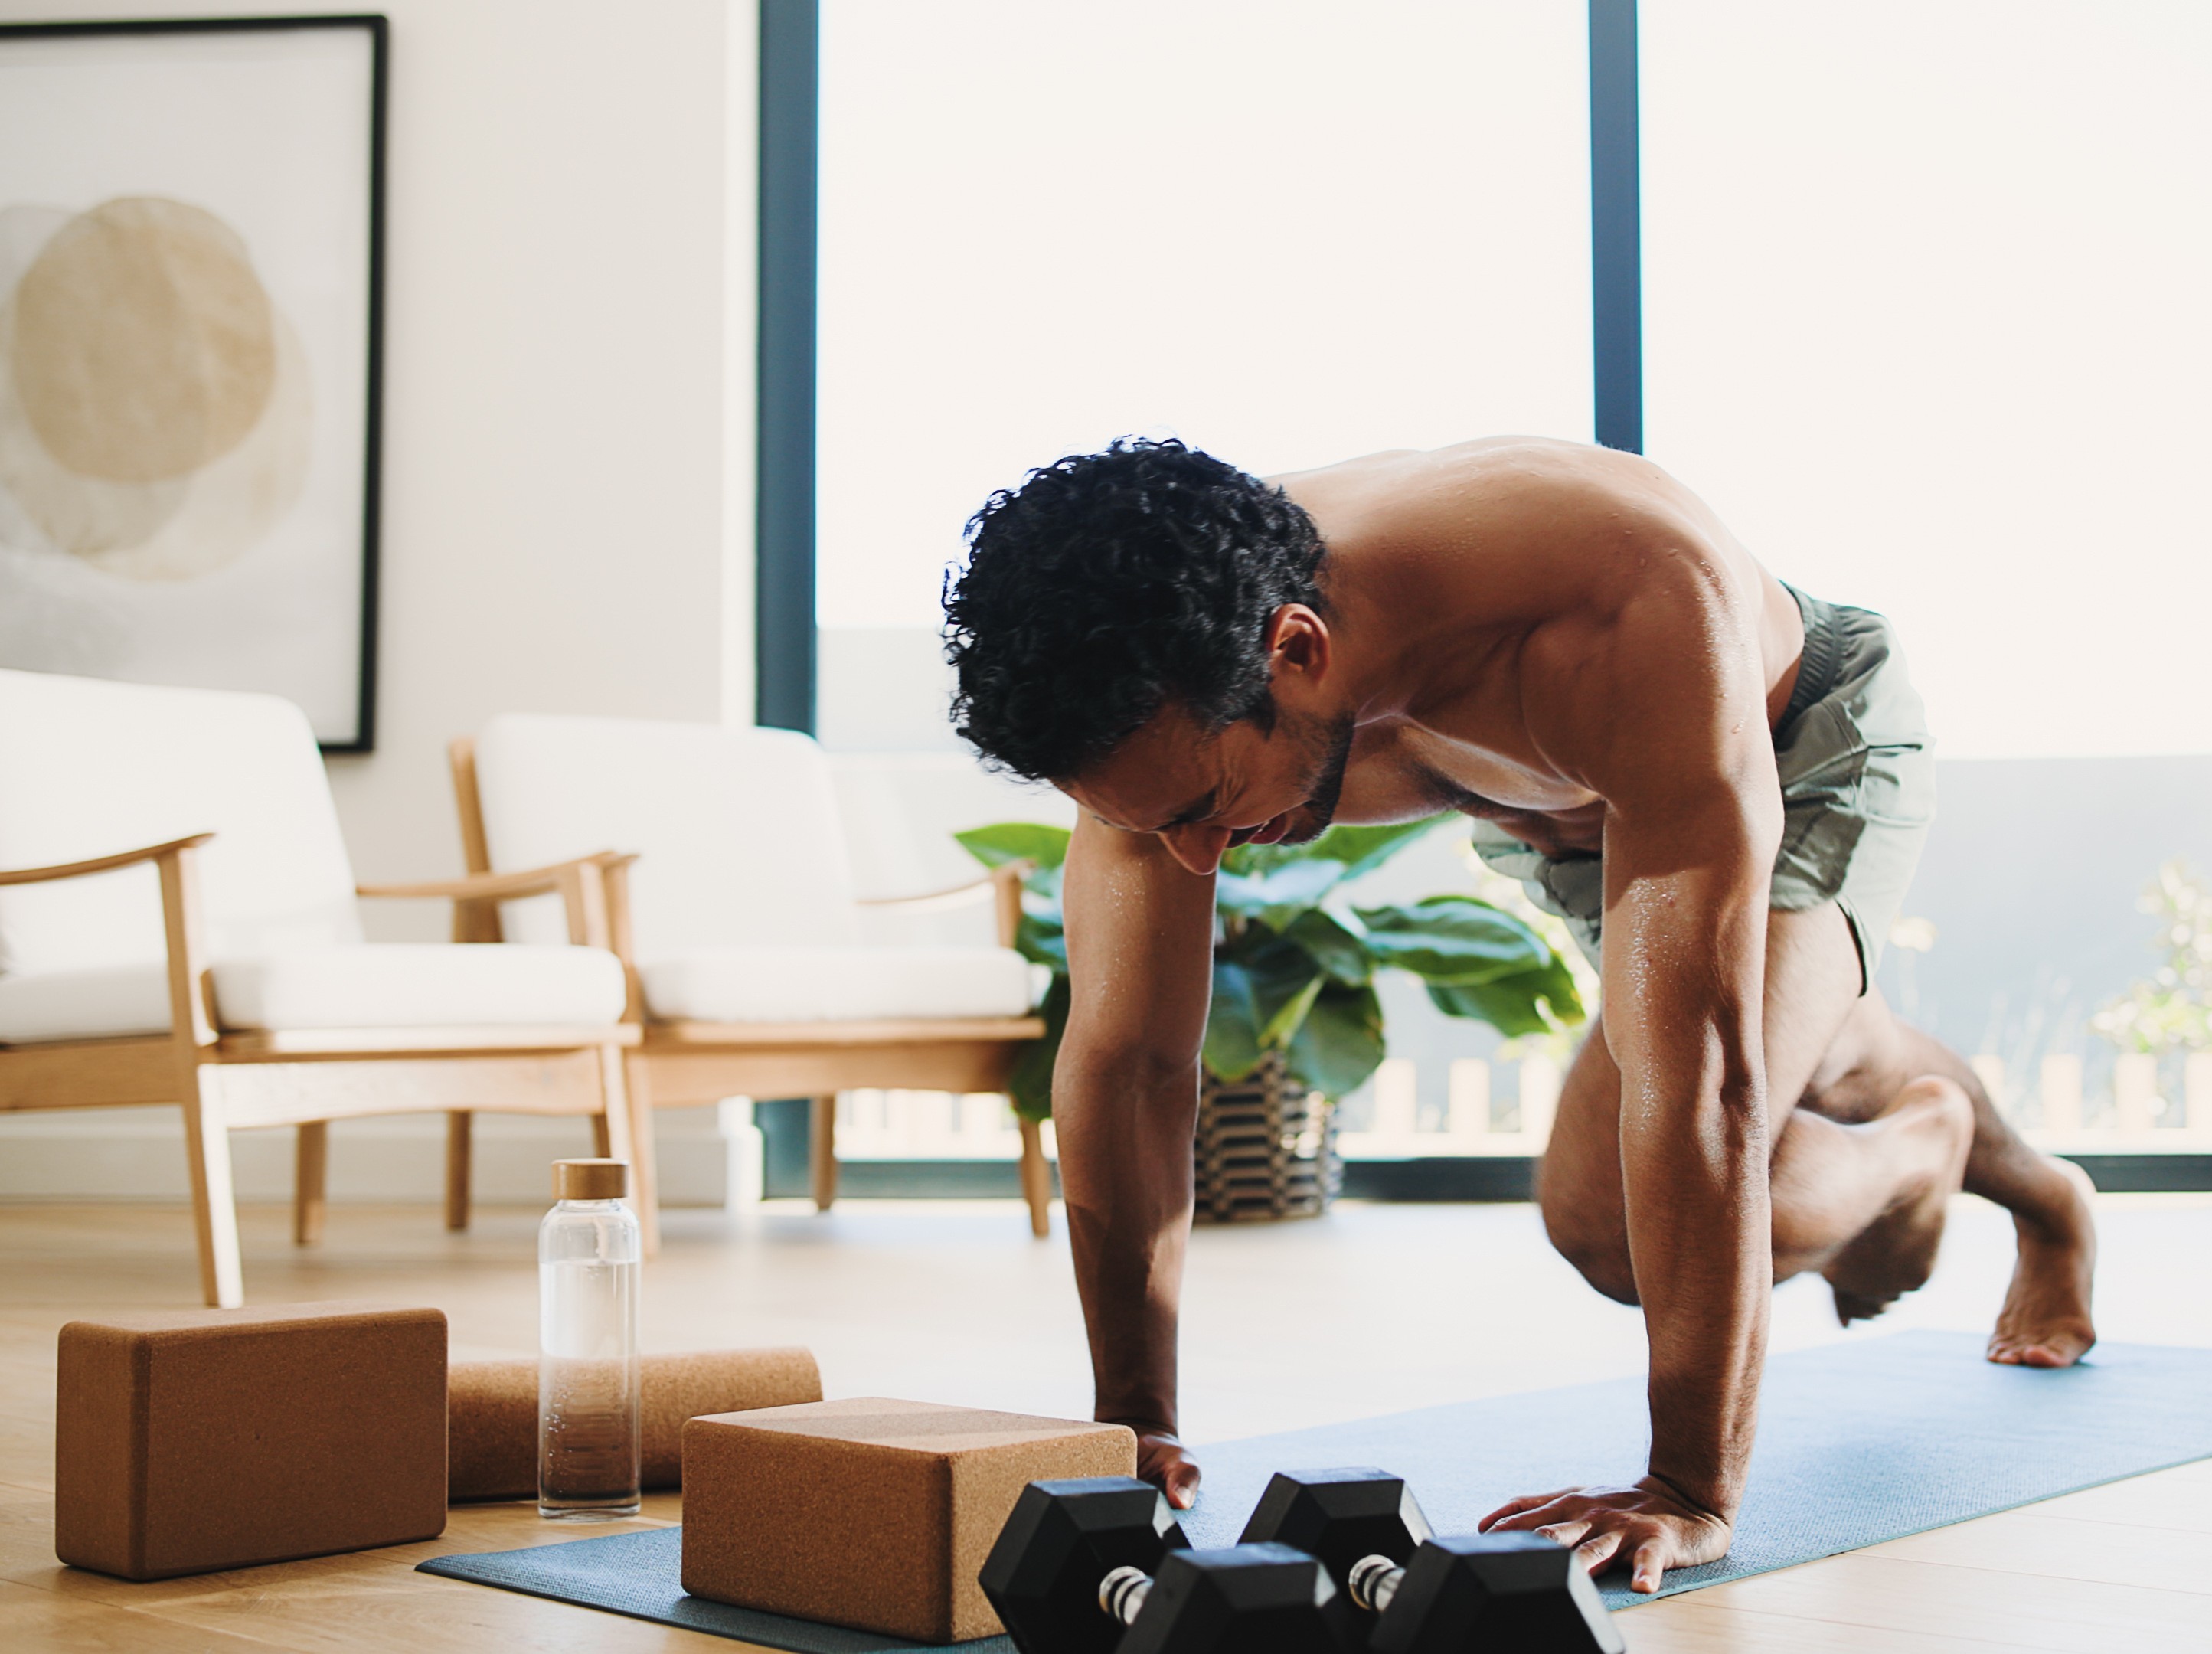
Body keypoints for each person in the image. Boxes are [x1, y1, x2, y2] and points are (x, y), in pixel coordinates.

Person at [941, 436, 2097, 1594]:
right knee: (1827, 1048)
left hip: (1789, 745)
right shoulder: (1151, 678)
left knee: (1607, 1213)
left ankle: (1916, 1151)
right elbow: (1127, 1061)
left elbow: (1699, 1084)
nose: (1192, 856)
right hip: (1555, 806)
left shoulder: (1616, 598)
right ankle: (2002, 1166)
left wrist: (1689, 1490)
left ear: (1297, 649)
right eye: (1153, 824)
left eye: (1202, 810)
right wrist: (1132, 1425)